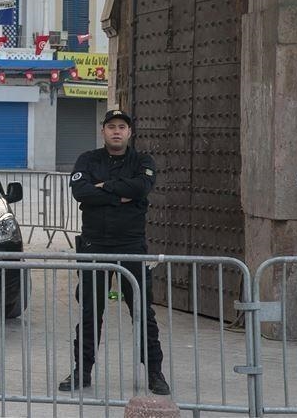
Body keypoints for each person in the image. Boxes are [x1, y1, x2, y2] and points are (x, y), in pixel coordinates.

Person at [59, 109, 171, 396]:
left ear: (129, 132)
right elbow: (81, 192)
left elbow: (141, 187)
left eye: (122, 127)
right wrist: (120, 195)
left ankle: (155, 372)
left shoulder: (142, 161)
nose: (117, 131)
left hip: (131, 245)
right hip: (94, 244)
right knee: (90, 311)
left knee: (142, 311)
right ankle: (82, 371)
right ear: (103, 131)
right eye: (111, 127)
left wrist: (104, 187)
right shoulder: (88, 159)